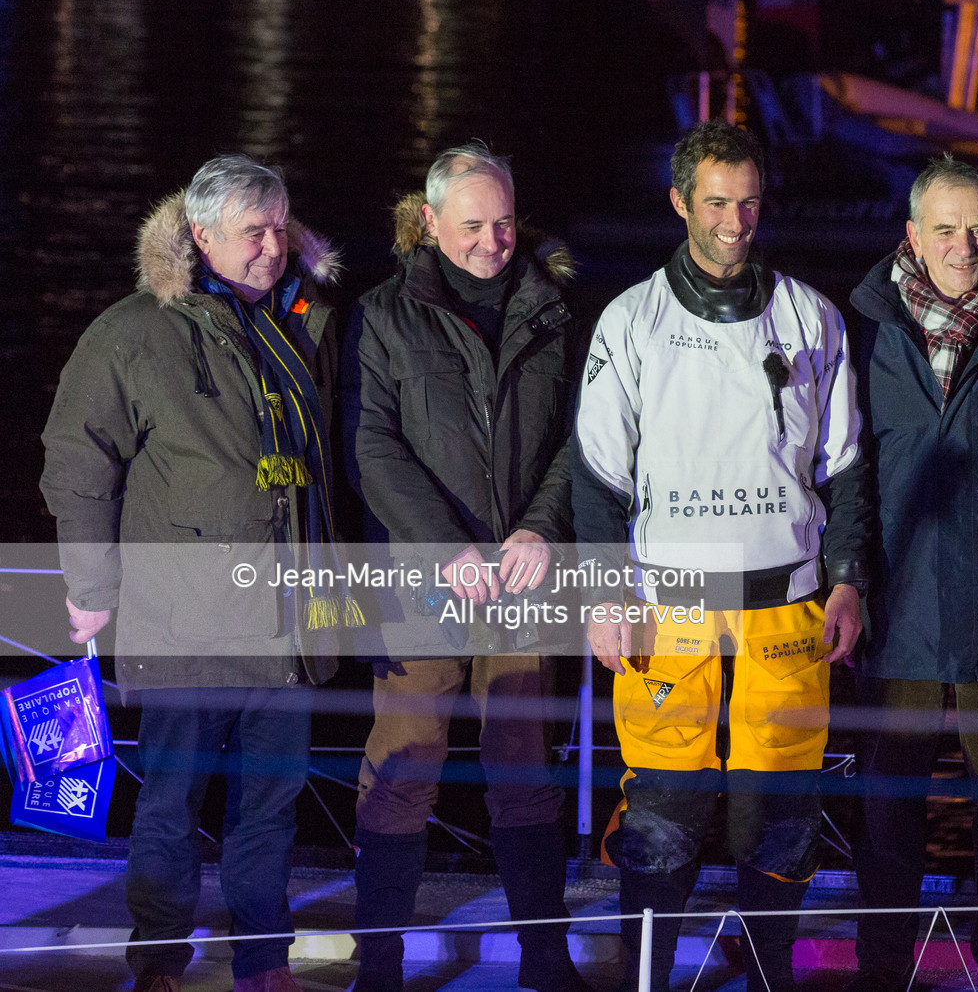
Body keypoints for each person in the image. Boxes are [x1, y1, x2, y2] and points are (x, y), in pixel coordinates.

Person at [573, 119, 870, 992]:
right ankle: (647, 979)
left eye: (747, 203)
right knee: (662, 812)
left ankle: (769, 975)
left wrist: (849, 579)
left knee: (781, 813)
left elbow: (847, 466)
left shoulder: (812, 315)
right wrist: (604, 594)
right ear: (680, 203)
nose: (735, 222)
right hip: (669, 607)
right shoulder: (631, 320)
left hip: (790, 606)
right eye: (715, 204)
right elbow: (597, 477)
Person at [41, 154, 347, 992]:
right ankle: (160, 966)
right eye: (253, 232)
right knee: (171, 809)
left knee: (270, 812)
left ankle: (262, 964)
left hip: (287, 619)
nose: (273, 246)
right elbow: (76, 461)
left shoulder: (307, 318)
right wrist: (93, 589)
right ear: (201, 235)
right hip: (181, 620)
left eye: (281, 228)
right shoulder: (135, 330)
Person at [342, 143, 583, 992]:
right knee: (404, 765)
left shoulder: (551, 311)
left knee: (525, 768)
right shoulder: (381, 315)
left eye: (505, 221)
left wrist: (541, 530)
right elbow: (371, 446)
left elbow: (573, 444)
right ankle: (380, 965)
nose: (493, 240)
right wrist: (444, 545)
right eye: (474, 225)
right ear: (431, 222)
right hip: (421, 580)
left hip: (522, 579)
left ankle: (545, 963)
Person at [845, 156, 978, 992]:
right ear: (912, 237)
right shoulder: (866, 329)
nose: (963, 246)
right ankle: (880, 974)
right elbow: (845, 471)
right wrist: (849, 578)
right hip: (896, 610)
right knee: (888, 812)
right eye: (945, 229)